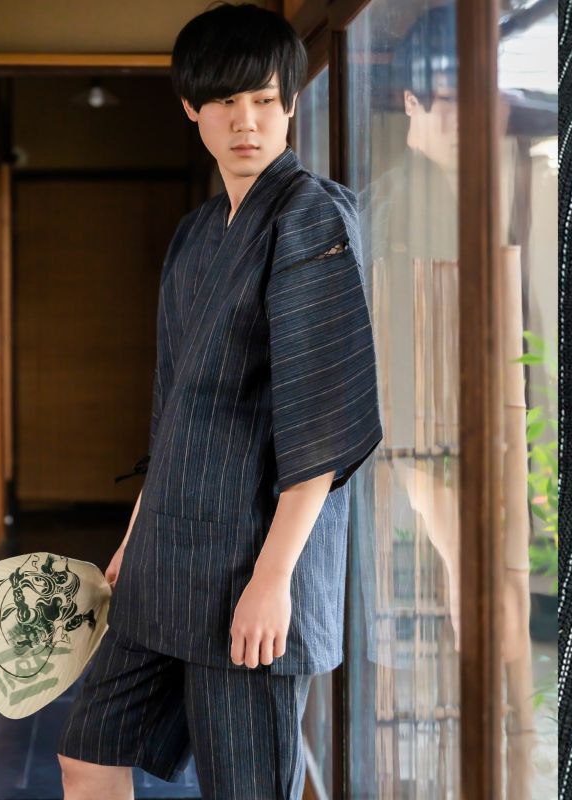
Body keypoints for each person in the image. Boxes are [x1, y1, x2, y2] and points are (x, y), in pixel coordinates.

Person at [56, 3, 383, 799]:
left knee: (245, 788)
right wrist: (136, 535)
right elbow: (172, 410)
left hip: (252, 562)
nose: (247, 121)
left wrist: (273, 580)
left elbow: (322, 418)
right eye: (226, 101)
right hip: (168, 557)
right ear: (191, 109)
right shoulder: (197, 232)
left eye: (265, 100)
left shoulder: (311, 216)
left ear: (291, 104)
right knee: (87, 752)